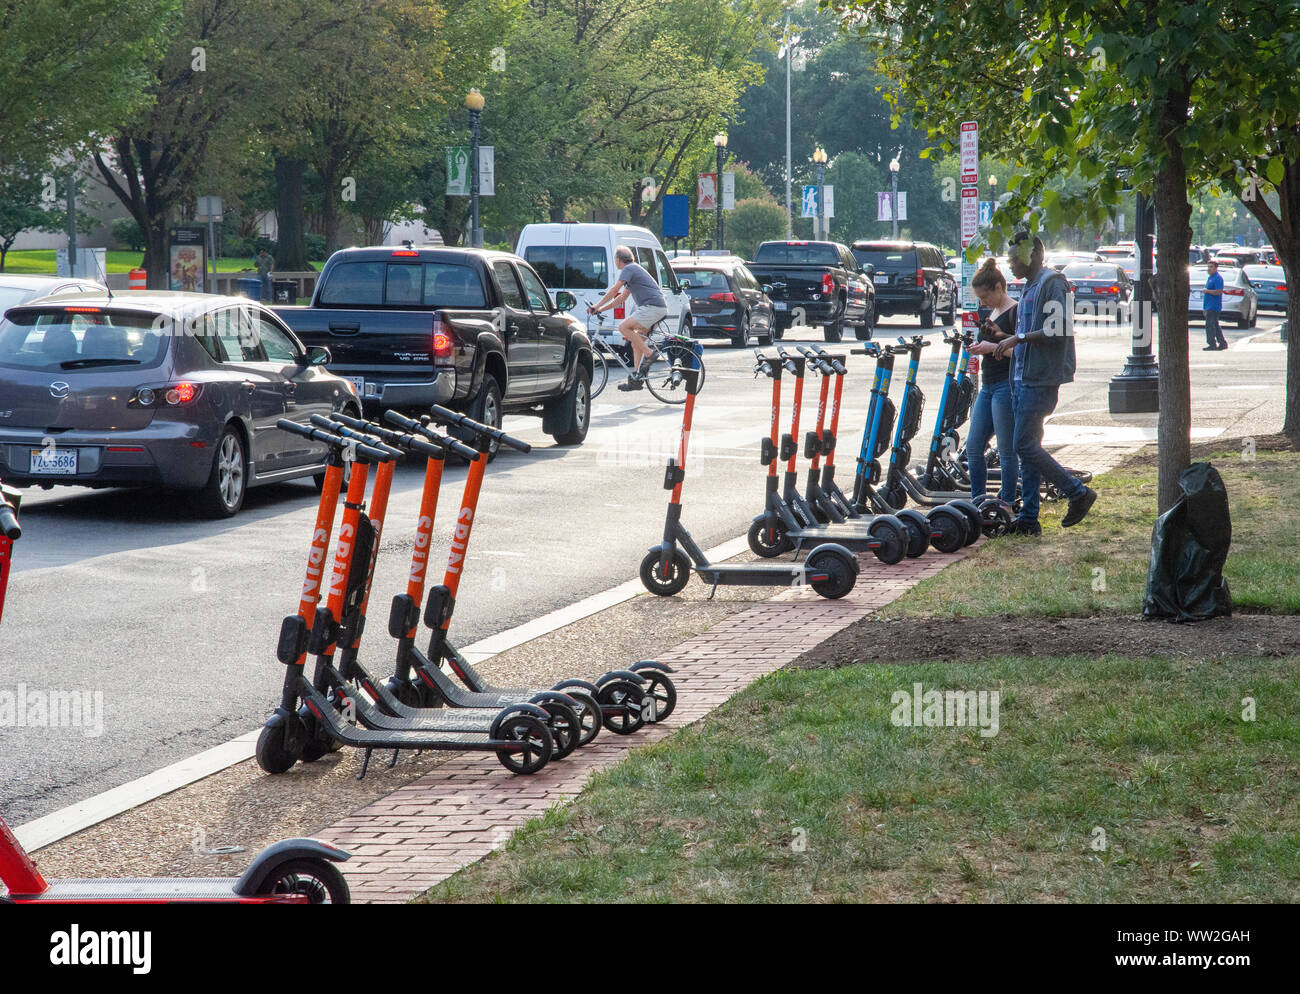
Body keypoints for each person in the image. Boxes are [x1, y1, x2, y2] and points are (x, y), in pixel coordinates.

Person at [992, 231, 1097, 534]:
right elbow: (1026, 330)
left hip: (1040, 380)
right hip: (1022, 377)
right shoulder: (1029, 286)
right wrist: (1002, 337)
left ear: (1035, 253)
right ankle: (1028, 520)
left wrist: (1019, 336)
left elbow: (1058, 328)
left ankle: (1077, 492)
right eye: (1008, 258)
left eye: (1015, 258)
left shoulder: (1053, 283)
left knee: (1023, 445)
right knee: (1029, 448)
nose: (1010, 264)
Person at [965, 258, 1018, 506]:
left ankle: (1006, 501)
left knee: (1006, 450)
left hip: (1004, 386)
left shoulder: (1015, 312)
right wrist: (980, 347)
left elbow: (1021, 353)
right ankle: (978, 500)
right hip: (988, 385)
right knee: (973, 446)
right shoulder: (993, 312)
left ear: (999, 287)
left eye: (985, 296)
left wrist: (991, 347)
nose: (982, 303)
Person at [587, 246, 668, 391]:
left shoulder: (629, 269)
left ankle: (650, 354)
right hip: (656, 307)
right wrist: (600, 309)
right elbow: (621, 298)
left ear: (618, 259)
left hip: (652, 307)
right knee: (636, 343)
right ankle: (636, 379)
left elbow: (614, 291)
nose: (615, 262)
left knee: (623, 327)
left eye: (615, 259)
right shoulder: (633, 270)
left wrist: (596, 305)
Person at [1202, 259, 1227, 350]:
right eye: (1208, 267)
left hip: (1214, 306)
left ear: (1216, 268)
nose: (1209, 269)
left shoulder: (1217, 278)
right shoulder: (1210, 278)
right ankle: (1222, 343)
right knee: (1215, 325)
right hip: (1208, 305)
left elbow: (1219, 291)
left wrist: (1207, 291)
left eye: (1211, 267)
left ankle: (1212, 344)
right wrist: (1204, 308)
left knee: (1210, 325)